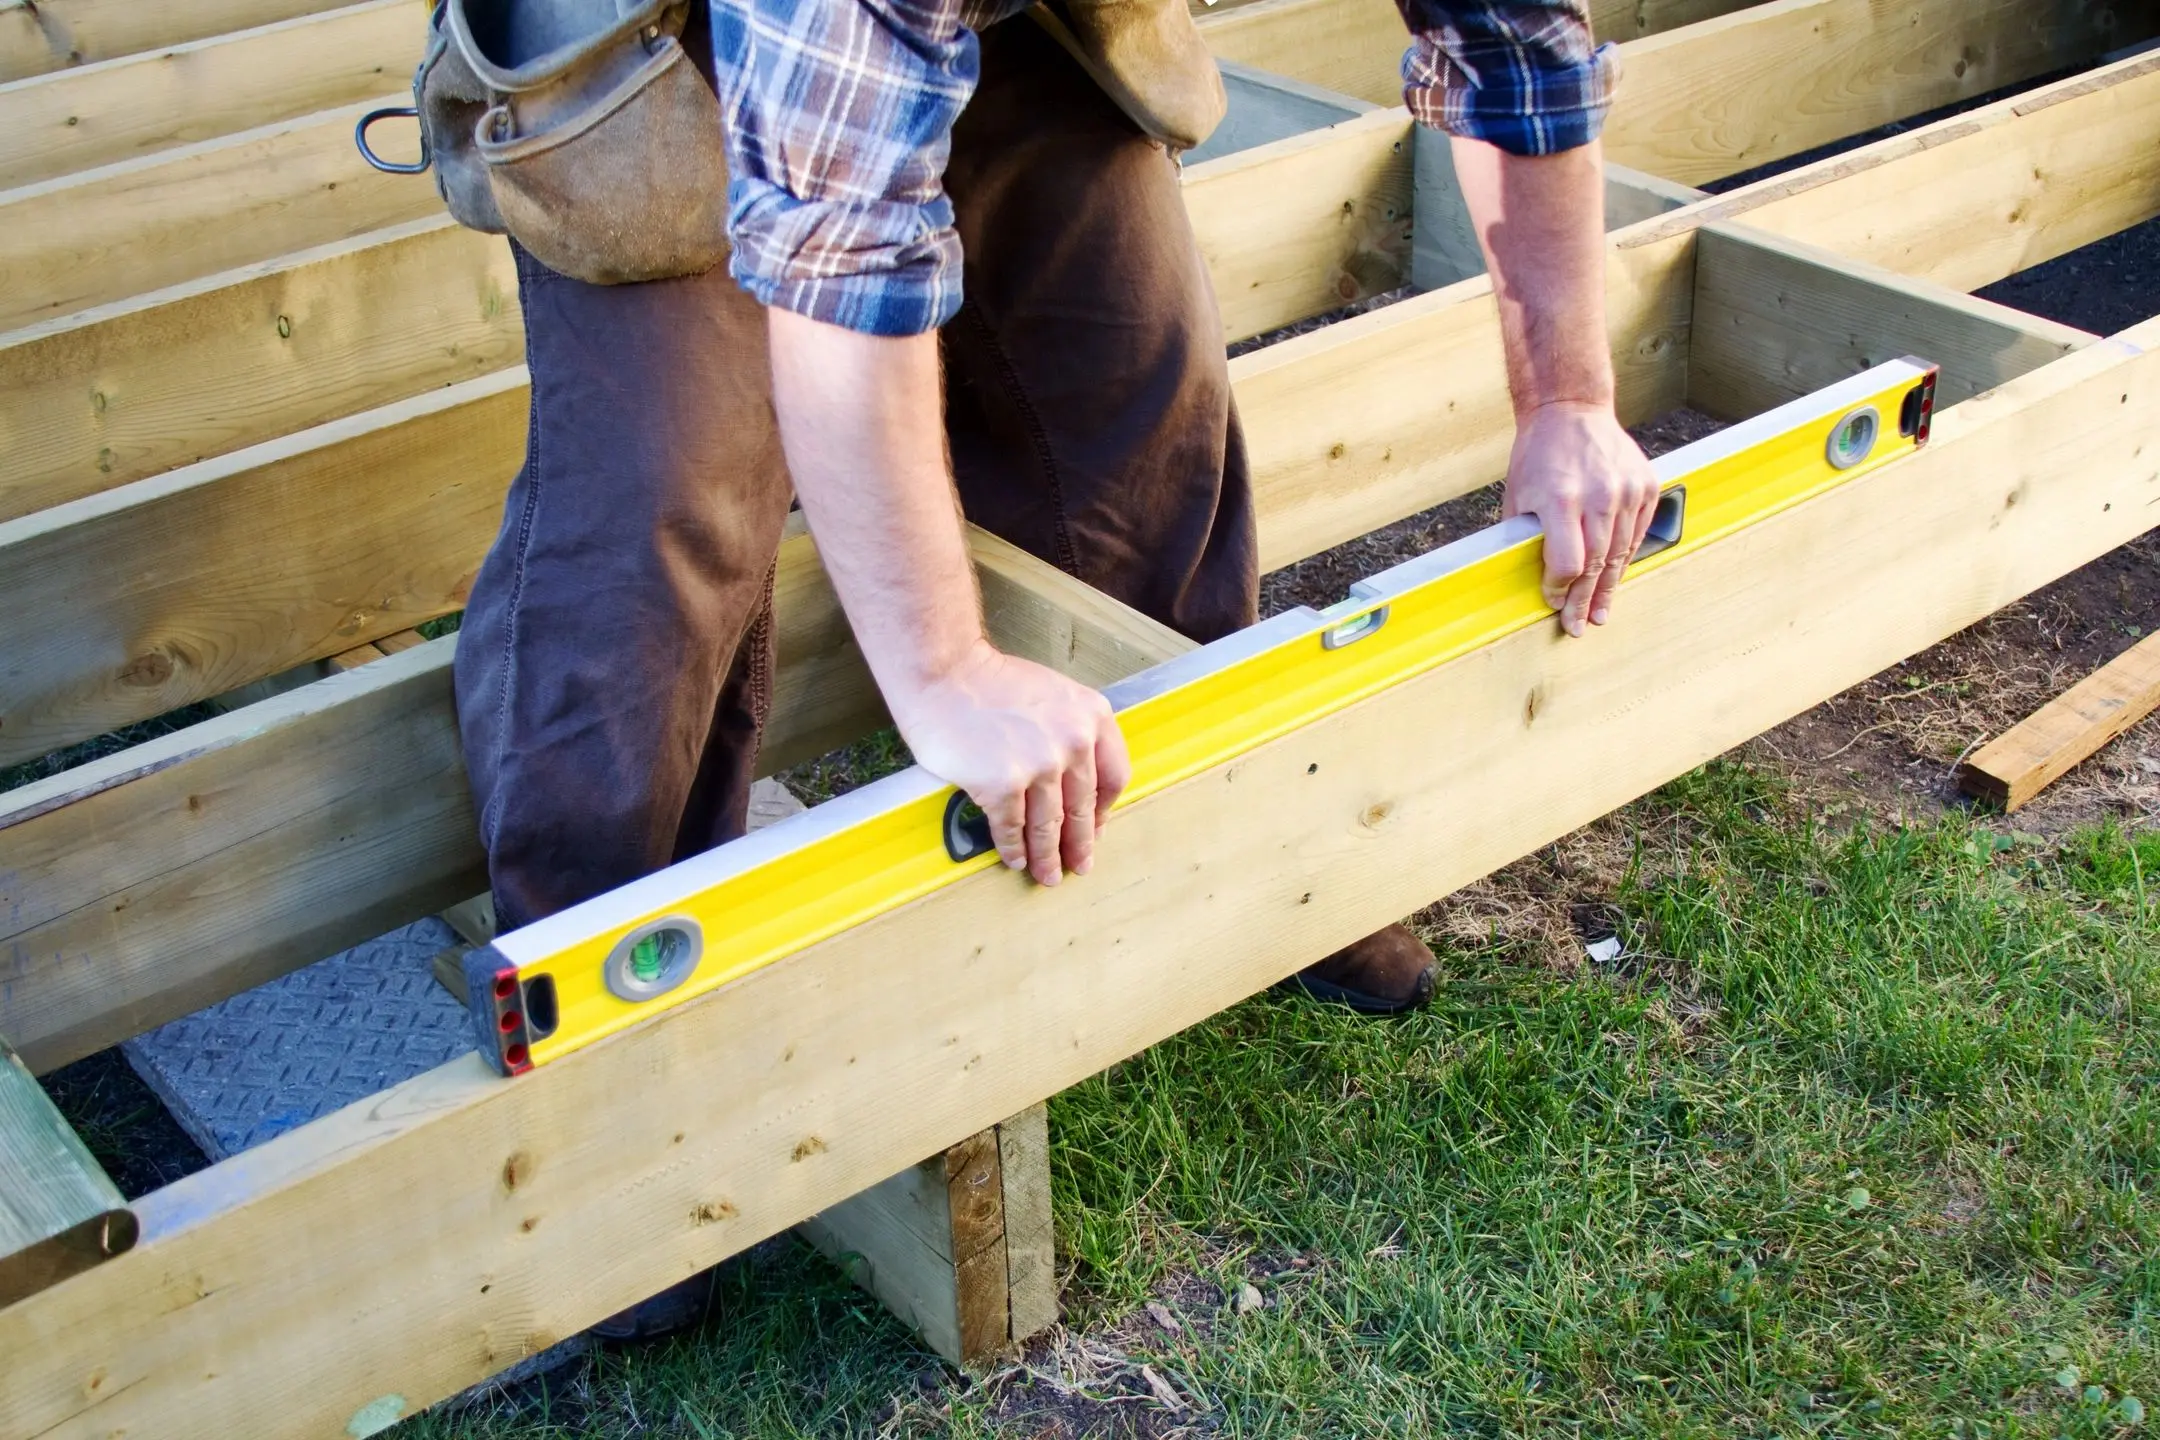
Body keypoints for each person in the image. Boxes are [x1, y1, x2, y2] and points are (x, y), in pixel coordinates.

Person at [451, 0, 1657, 1334]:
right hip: (655, 35)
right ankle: (612, 1084)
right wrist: (946, 670)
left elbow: (1519, 47)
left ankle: (1217, 867)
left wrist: (1568, 400)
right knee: (671, 506)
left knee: (1128, 393)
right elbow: (841, 239)